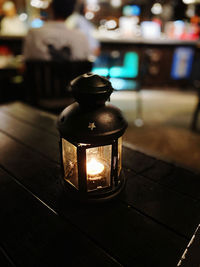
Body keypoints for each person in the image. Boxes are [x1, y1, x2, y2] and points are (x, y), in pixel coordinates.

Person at [23, 0, 90, 61]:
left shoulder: (33, 34)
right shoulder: (81, 37)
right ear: (71, 12)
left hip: (42, 74)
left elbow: (25, 65)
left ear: (50, 8)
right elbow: (87, 68)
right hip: (74, 74)